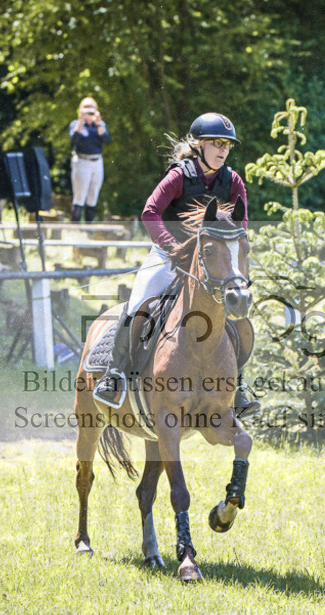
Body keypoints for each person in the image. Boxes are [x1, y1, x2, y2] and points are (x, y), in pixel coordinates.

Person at [93, 112, 259, 416]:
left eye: (227, 145)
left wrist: (232, 255)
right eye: (217, 143)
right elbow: (150, 213)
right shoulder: (180, 176)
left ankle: (239, 385)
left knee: (236, 315)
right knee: (138, 304)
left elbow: (241, 222)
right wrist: (170, 247)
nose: (223, 149)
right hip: (168, 256)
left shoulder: (232, 180)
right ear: (200, 145)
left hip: (211, 263)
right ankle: (114, 375)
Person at [69, 97, 111, 223]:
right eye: (85, 108)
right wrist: (81, 121)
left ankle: (89, 228)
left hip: (97, 162)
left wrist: (98, 123)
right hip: (82, 161)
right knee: (79, 196)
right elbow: (74, 139)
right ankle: (75, 227)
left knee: (93, 196)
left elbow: (106, 140)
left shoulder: (99, 125)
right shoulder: (76, 124)